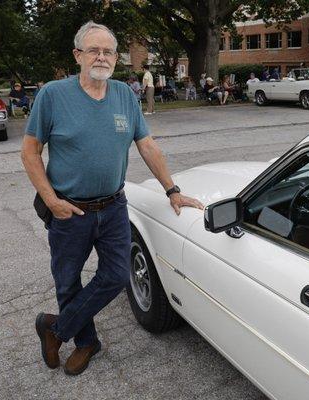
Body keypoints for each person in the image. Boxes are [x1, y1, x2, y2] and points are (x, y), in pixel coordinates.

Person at [21, 21, 203, 376]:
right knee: (68, 281)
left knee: (116, 276)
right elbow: (30, 152)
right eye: (93, 50)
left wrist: (173, 190)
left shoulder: (124, 94)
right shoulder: (53, 95)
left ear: (116, 58)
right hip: (68, 210)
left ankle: (55, 327)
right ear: (78, 55)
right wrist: (52, 201)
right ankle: (87, 342)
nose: (101, 57)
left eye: (108, 51)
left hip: (113, 206)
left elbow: (147, 145)